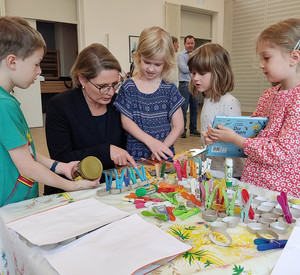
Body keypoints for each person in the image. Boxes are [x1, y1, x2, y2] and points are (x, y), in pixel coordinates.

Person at [0, 16, 99, 207]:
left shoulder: (7, 100)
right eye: (36, 63)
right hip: (11, 207)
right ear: (12, 61)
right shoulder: (4, 105)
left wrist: (60, 167)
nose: (39, 71)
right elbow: (26, 165)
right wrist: (71, 186)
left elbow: (25, 151)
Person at [203, 18, 300, 197]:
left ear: (293, 57)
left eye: (267, 57)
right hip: (253, 184)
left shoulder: (298, 101)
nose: (261, 64)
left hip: (280, 193)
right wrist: (219, 139)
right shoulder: (268, 96)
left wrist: (234, 139)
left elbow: (279, 152)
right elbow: (248, 137)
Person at [45, 43, 136, 195]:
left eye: (115, 84)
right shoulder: (60, 106)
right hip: (72, 189)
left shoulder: (117, 103)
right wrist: (105, 151)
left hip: (111, 187)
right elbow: (61, 158)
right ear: (82, 79)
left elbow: (126, 144)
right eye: (102, 86)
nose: (110, 92)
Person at [114, 26, 184, 161]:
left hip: (163, 155)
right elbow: (126, 121)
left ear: (166, 62)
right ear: (139, 56)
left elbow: (179, 126)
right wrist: (152, 142)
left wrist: (161, 148)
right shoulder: (129, 87)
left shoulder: (169, 89)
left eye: (157, 64)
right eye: (147, 62)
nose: (151, 69)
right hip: (136, 156)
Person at [188, 43, 244, 177]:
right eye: (193, 72)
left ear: (219, 72)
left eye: (201, 73)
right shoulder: (207, 99)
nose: (195, 78)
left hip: (228, 173)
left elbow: (237, 145)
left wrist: (214, 142)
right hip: (212, 169)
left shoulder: (229, 103)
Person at [178, 35, 200, 138]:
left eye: (192, 43)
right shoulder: (181, 55)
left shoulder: (198, 55)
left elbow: (200, 68)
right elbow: (183, 69)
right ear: (184, 44)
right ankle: (182, 130)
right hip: (184, 85)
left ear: (194, 43)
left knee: (195, 108)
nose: (190, 45)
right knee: (183, 108)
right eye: (188, 43)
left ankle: (193, 129)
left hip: (195, 85)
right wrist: (192, 61)